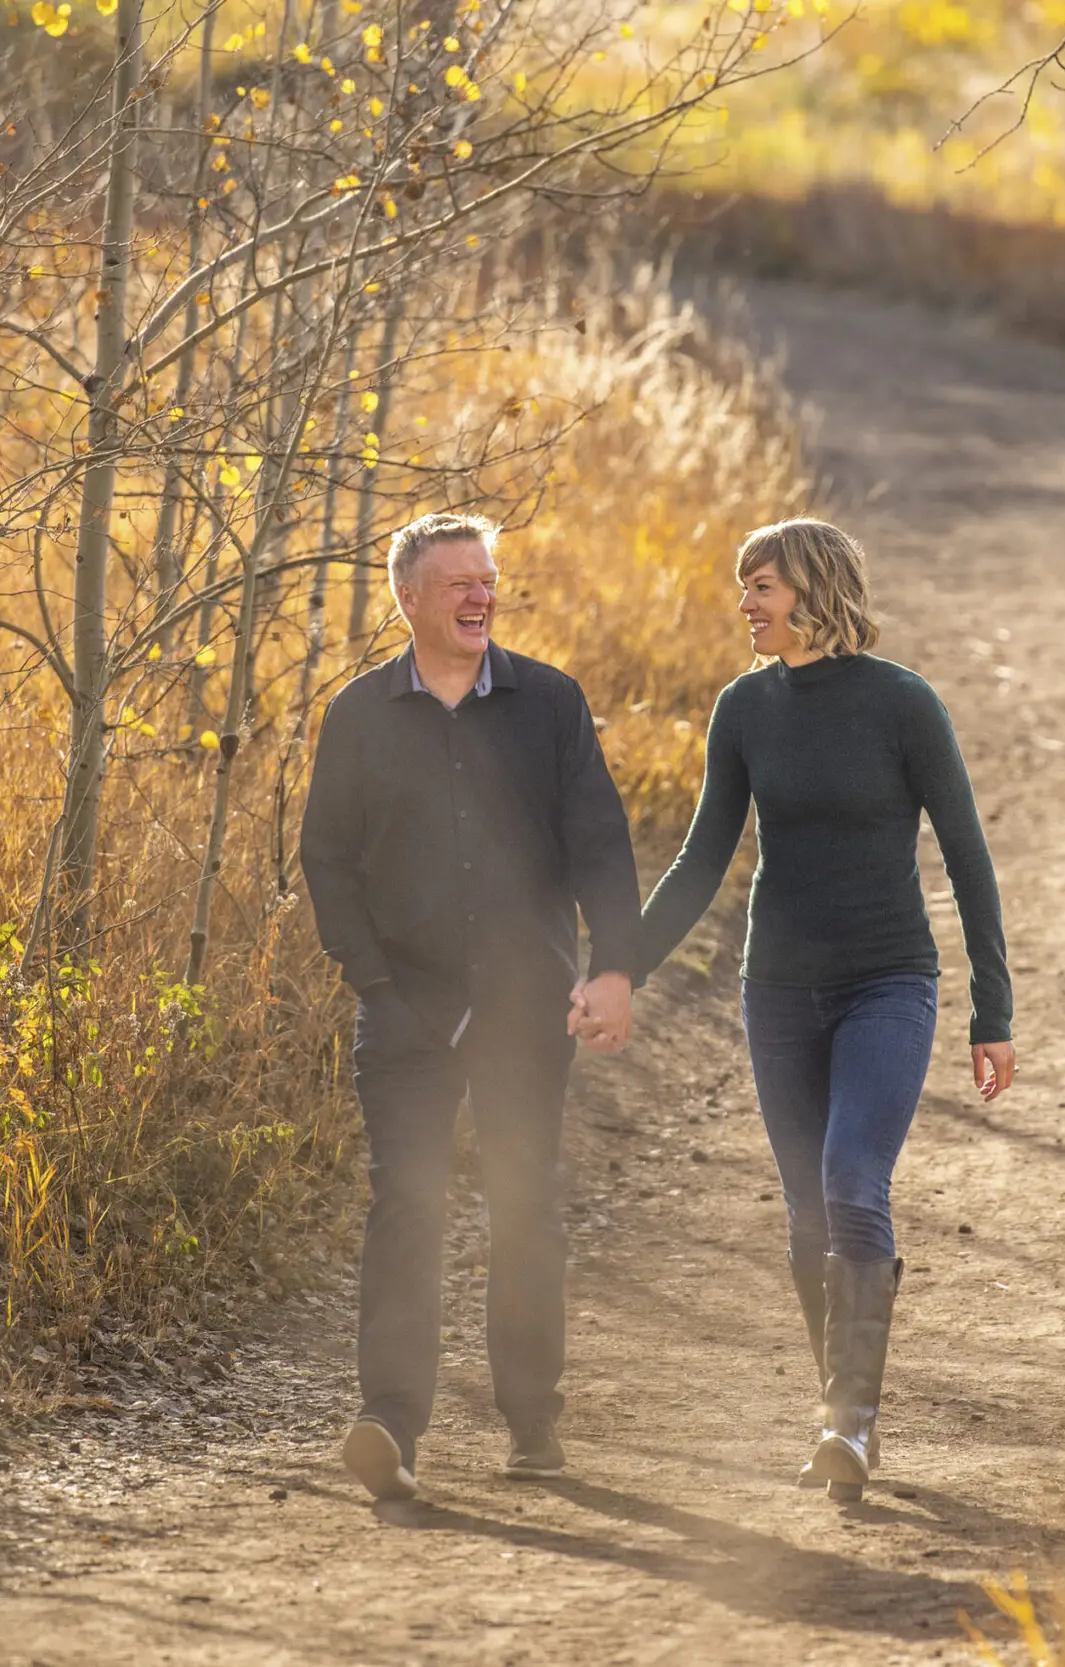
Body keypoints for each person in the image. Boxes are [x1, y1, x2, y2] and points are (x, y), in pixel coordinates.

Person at [626, 517, 1016, 1503]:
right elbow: (701, 860)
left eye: (760, 585)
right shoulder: (744, 708)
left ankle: (849, 1416)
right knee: (807, 1211)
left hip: (887, 979)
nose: (745, 603)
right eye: (742, 586)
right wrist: (617, 966)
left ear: (812, 587)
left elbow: (967, 855)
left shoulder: (902, 704)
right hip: (779, 990)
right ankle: (842, 1404)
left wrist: (990, 1008)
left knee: (851, 1179)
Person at [300, 510, 640, 1502]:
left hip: (524, 1006)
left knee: (523, 1205)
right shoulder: (360, 714)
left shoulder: (549, 703)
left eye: (487, 579)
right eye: (457, 582)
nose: (479, 595)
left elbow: (599, 841)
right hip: (403, 1006)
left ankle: (532, 1421)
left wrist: (614, 963)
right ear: (407, 598)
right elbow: (326, 856)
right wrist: (371, 980)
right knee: (405, 1202)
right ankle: (389, 1424)